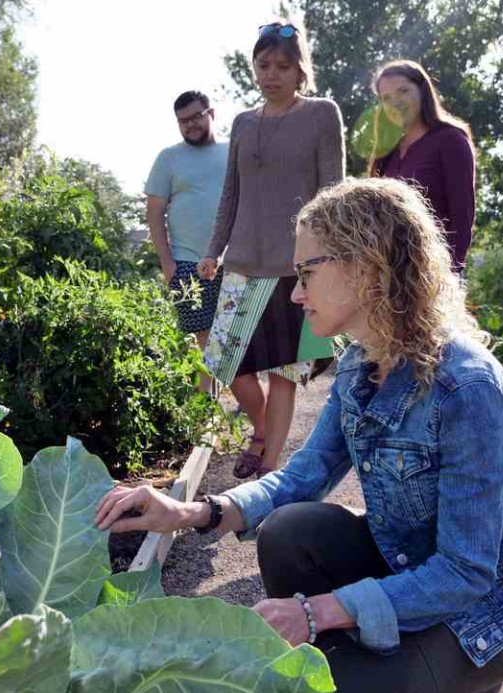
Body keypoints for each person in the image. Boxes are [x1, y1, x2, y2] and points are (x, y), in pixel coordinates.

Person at [98, 177, 503, 693]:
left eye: (306, 273)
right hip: (411, 561)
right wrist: (190, 512)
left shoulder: (465, 389)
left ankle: (435, 669)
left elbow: (465, 572)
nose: (296, 293)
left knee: (331, 682)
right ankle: (371, 661)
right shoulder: (360, 367)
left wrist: (316, 611)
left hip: (495, 606)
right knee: (289, 531)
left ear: (365, 266)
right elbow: (303, 477)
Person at [197, 21, 344, 479]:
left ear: (301, 71)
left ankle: (270, 465)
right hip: (241, 264)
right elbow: (230, 194)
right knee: (226, 361)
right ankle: (259, 430)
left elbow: (332, 190)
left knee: (284, 372)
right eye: (264, 64)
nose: (272, 73)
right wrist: (213, 250)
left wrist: (328, 258)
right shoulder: (243, 122)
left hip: (295, 268)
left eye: (283, 65)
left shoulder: (321, 114)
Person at [368, 60, 476, 272]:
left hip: (435, 270)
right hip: (390, 273)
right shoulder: (385, 150)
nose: (395, 102)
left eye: (403, 91)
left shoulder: (450, 140)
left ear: (423, 90)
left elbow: (463, 215)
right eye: (386, 98)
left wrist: (450, 274)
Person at [145, 91, 230, 361]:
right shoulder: (168, 158)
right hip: (187, 263)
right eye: (183, 121)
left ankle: (234, 400)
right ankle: (204, 402)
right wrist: (167, 263)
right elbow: (154, 214)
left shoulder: (233, 151)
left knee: (232, 340)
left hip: (234, 262)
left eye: (196, 117)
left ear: (211, 114)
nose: (190, 125)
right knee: (201, 343)